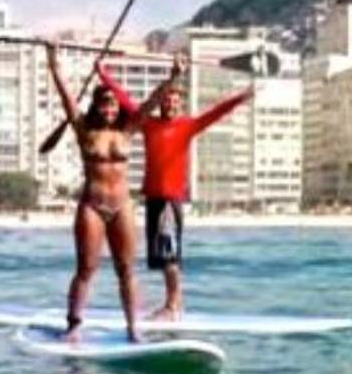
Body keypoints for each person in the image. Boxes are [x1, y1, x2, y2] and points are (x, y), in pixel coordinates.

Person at [98, 55, 253, 321]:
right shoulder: (148, 124)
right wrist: (104, 75)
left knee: (169, 255)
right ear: (161, 104)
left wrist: (240, 98)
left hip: (170, 200)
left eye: (174, 101)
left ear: (180, 104)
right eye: (166, 100)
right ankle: (174, 305)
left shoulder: (188, 125)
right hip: (154, 199)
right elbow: (124, 100)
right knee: (163, 256)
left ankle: (173, 306)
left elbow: (216, 113)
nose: (170, 104)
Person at [44, 42, 141, 341]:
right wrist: (53, 62)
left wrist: (173, 77)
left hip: (123, 205)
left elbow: (150, 104)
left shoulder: (128, 130)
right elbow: (67, 99)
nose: (110, 109)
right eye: (104, 104)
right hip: (93, 206)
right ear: (97, 106)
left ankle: (133, 328)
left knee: (126, 270)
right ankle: (73, 325)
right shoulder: (85, 130)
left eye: (113, 104)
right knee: (86, 268)